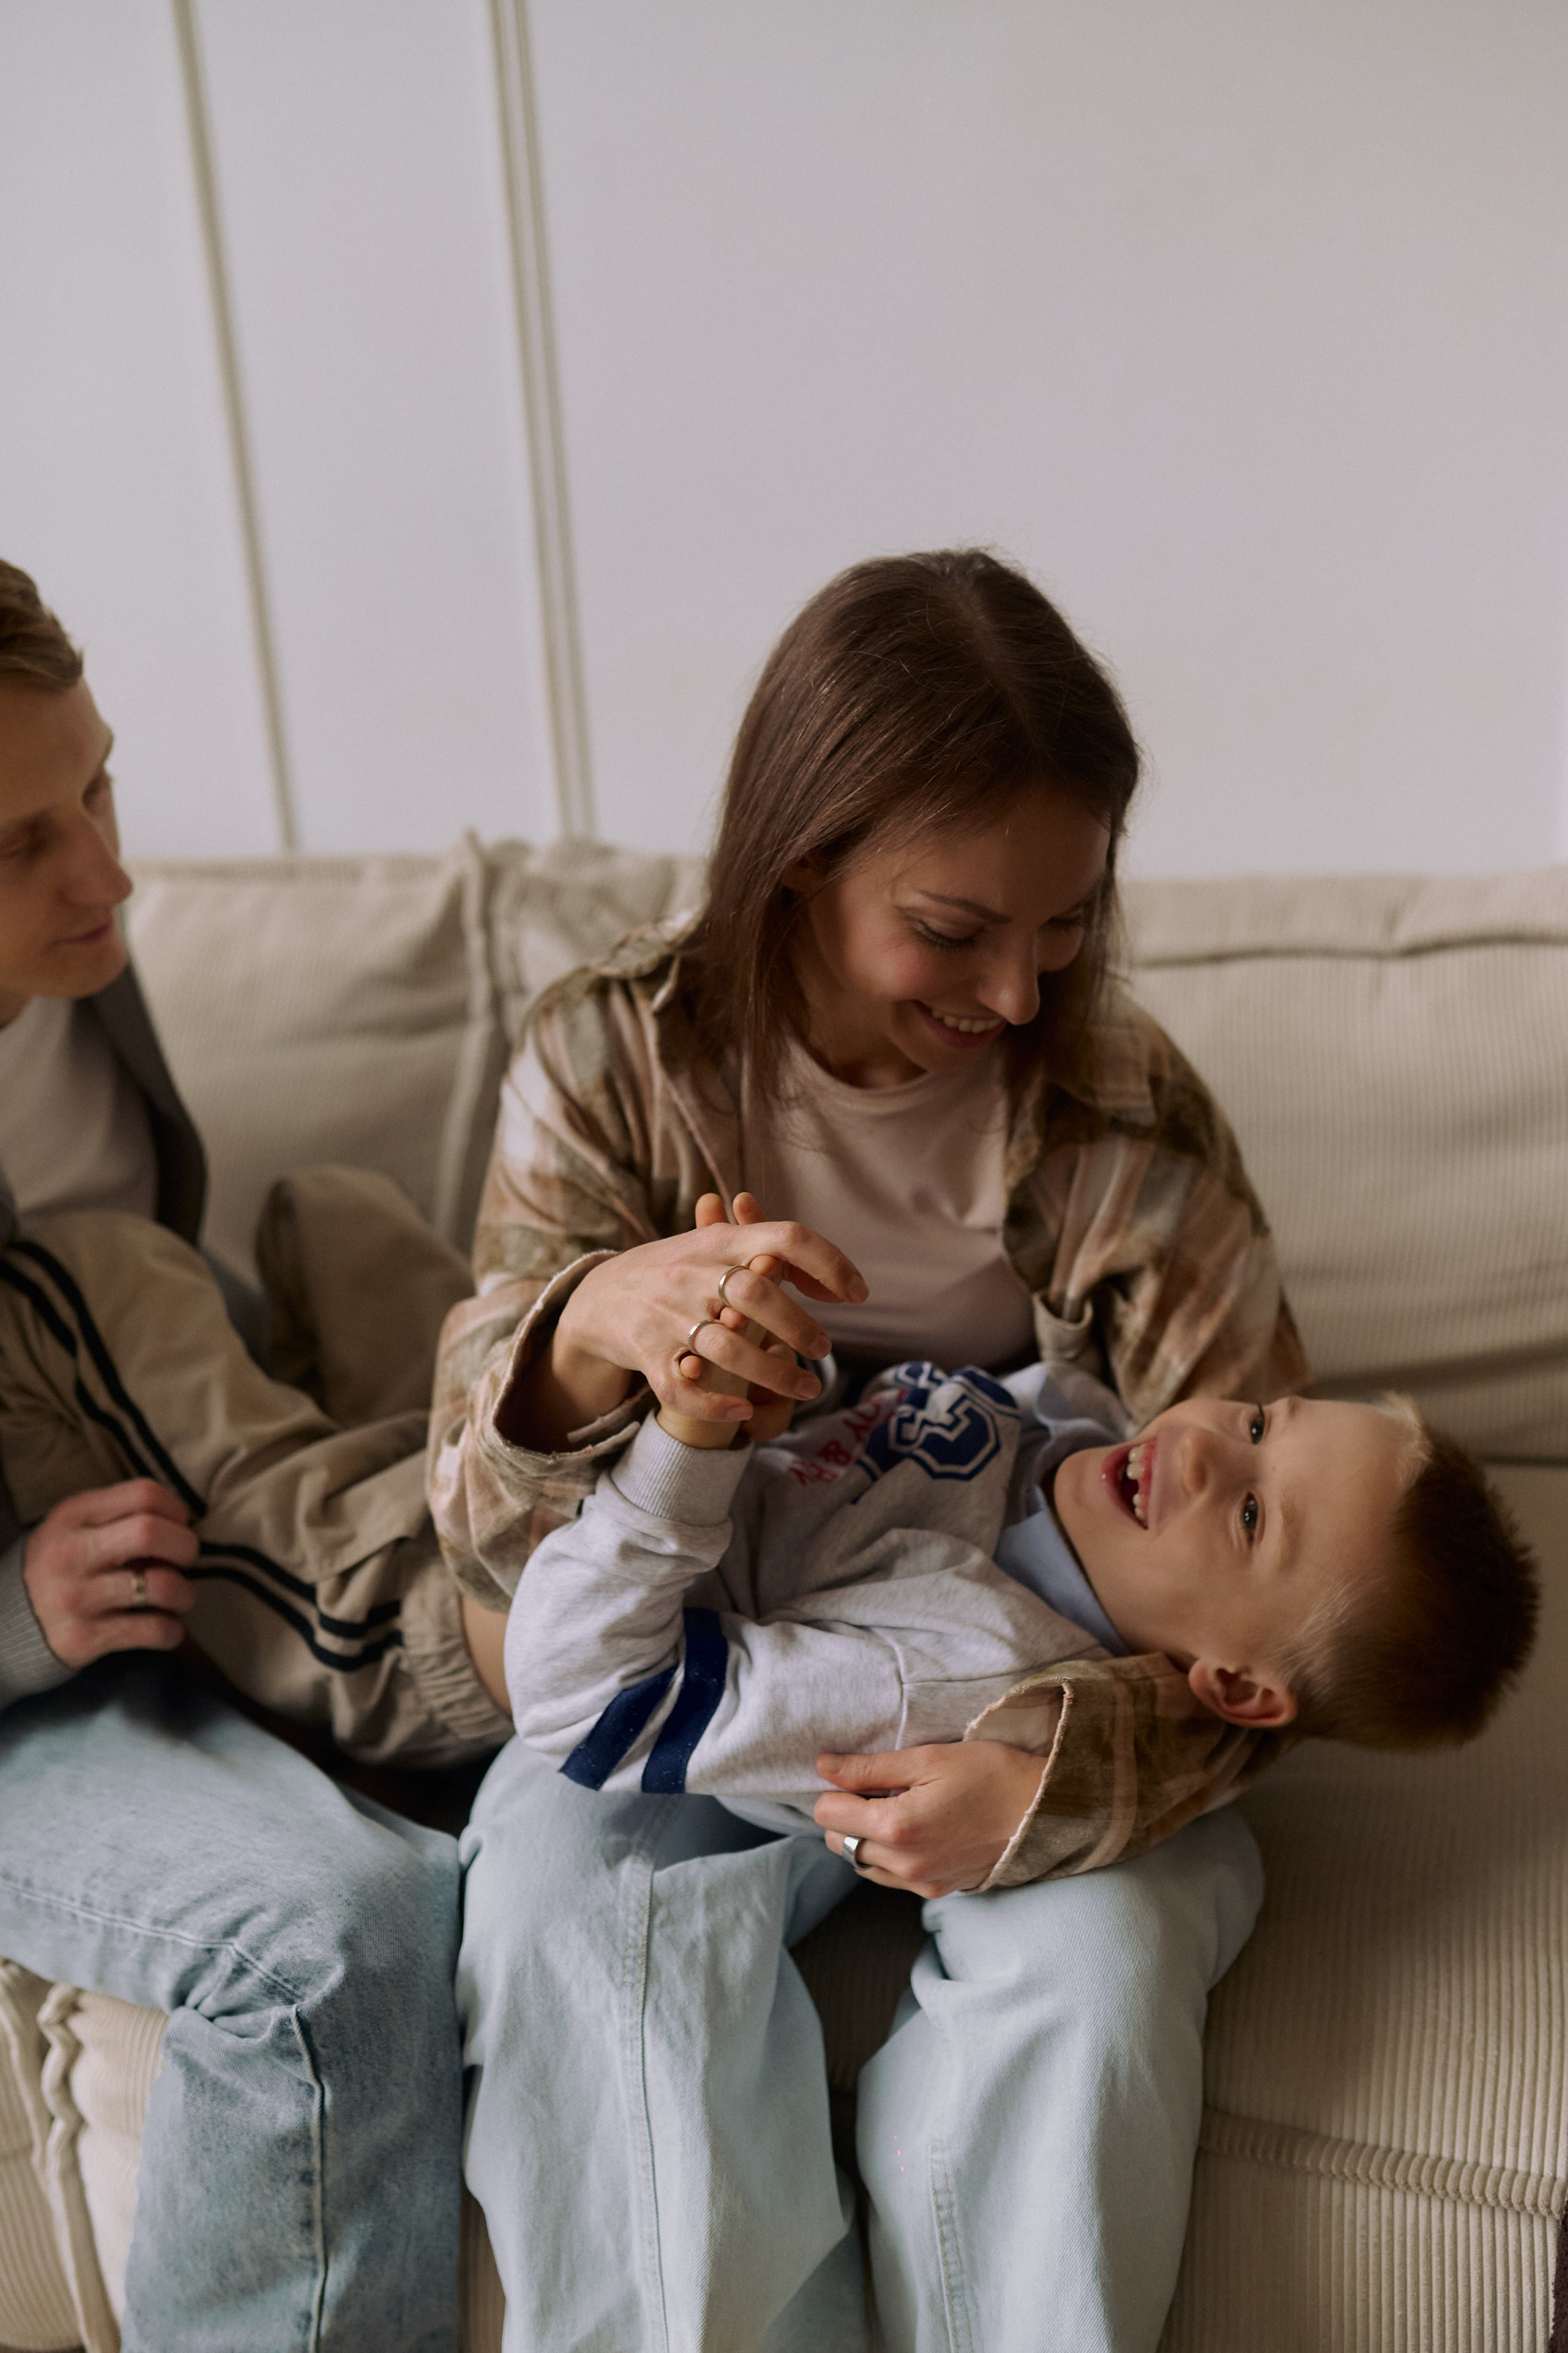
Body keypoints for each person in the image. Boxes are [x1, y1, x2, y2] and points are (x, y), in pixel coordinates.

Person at [445, 548, 1316, 2350]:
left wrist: (1057, 1775)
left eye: (1065, 924)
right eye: (954, 928)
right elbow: (486, 1554)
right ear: (802, 864)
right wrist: (601, 1320)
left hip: (1027, 1672)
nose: (1016, 992)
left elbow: (1283, 1582)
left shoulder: (1121, 1112)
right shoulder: (612, 1061)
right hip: (709, 1645)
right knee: (563, 1918)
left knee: (1105, 1961)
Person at [0, 559, 508, 2353]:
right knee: (331, 1937)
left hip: (159, 1541)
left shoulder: (76, 983)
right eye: (23, 844)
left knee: (550, 1810)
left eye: (102, 789)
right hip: (32, 1680)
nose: (108, 872)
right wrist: (18, 1610)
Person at [507, 1353, 1538, 1815]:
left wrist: (690, 1439)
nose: (1205, 1449)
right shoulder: (1075, 1418)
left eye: (1253, 1516)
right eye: (1263, 1421)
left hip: (561, 1585)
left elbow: (584, 1698)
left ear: (1234, 1685)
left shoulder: (962, 1676)